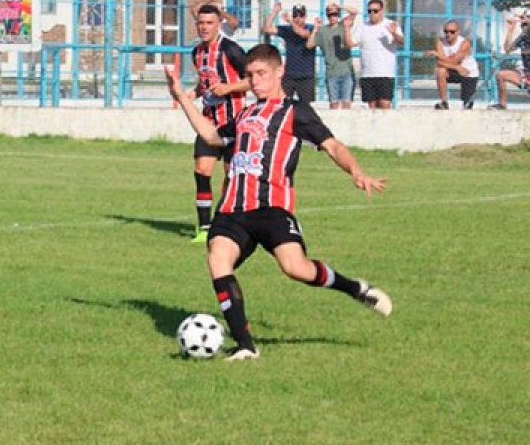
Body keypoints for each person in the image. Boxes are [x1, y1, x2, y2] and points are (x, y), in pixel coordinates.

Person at [164, 43, 392, 362]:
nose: (254, 81)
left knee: (295, 268)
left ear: (279, 72)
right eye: (250, 75)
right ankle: (245, 346)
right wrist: (183, 98)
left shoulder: (295, 111)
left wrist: (357, 171)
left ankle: (355, 289)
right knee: (218, 260)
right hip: (232, 209)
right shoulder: (245, 113)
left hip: (271, 208)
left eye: (260, 74)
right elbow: (214, 137)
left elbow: (333, 146)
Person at [188, 4, 250, 244]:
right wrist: (191, 93)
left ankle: (224, 224)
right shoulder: (197, 52)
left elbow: (252, 80)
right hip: (208, 123)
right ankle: (204, 227)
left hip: (234, 122)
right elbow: (206, 84)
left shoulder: (231, 50)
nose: (204, 27)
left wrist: (229, 88)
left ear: (218, 25)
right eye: (201, 23)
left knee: (230, 176)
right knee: (202, 171)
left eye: (209, 23)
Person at [345, 0, 404, 109]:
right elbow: (350, 43)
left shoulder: (390, 25)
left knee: (384, 104)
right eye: (369, 11)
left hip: (385, 73)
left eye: (375, 11)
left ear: (382, 11)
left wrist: (394, 33)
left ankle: (387, 126)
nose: (372, 14)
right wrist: (347, 29)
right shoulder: (362, 26)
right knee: (372, 106)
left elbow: (401, 42)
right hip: (367, 73)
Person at [306, 3, 358, 109]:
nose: (333, 17)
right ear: (327, 16)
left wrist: (340, 6)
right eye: (330, 15)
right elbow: (309, 45)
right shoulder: (322, 31)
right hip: (331, 73)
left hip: (346, 71)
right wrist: (315, 29)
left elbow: (354, 12)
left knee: (346, 104)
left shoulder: (343, 25)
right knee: (333, 105)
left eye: (335, 14)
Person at [264, 2, 316, 105]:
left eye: (301, 15)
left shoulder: (312, 28)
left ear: (305, 17)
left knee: (307, 108)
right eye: (295, 15)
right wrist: (274, 12)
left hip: (306, 76)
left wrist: (291, 22)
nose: (298, 18)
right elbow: (267, 29)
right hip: (289, 75)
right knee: (282, 105)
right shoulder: (287, 29)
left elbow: (303, 34)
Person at [428, 20, 480, 110]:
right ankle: (444, 102)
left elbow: (452, 61)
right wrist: (457, 67)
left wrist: (438, 55)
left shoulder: (464, 43)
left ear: (458, 32)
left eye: (452, 32)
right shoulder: (440, 42)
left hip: (468, 72)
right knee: (440, 71)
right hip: (456, 70)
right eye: (446, 31)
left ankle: (467, 102)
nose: (448, 34)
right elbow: (440, 63)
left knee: (467, 104)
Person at [492, 13, 530, 110]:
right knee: (501, 75)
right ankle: (502, 104)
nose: (524, 28)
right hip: (527, 76)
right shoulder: (522, 39)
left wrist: (527, 20)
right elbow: (508, 49)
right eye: (523, 26)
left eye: (526, 25)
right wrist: (510, 30)